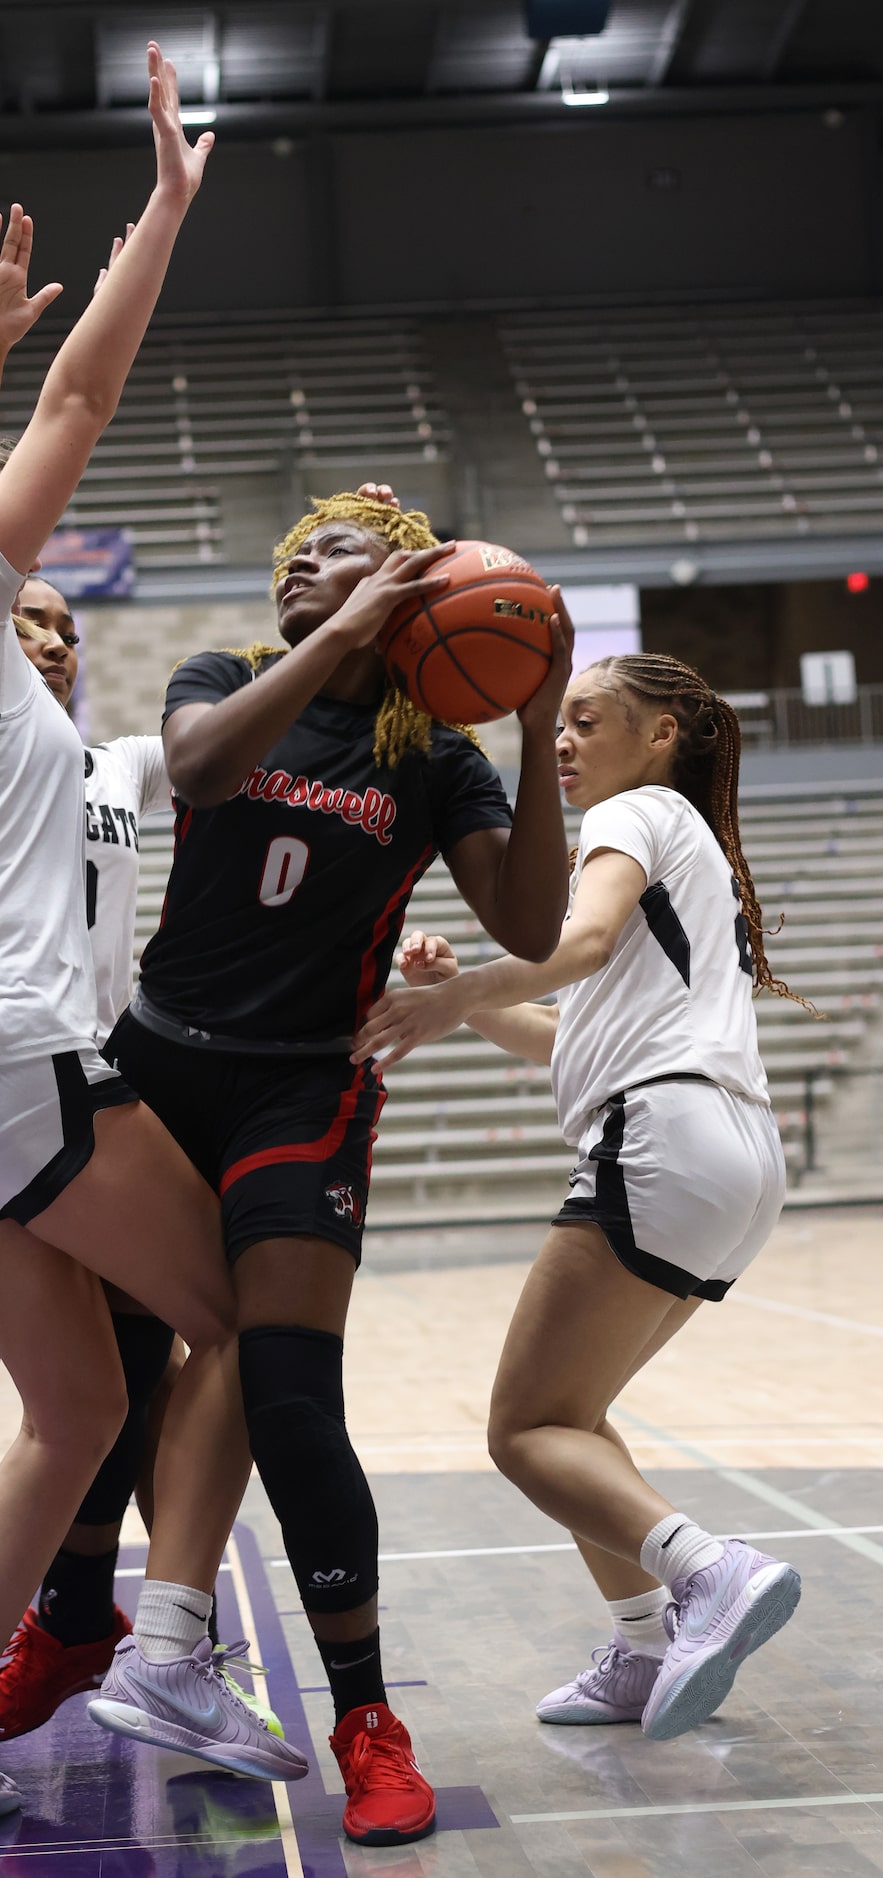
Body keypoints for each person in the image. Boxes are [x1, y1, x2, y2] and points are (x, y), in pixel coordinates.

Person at [0, 47, 307, 1827]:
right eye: (0, 515)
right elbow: (72, 420)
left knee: (74, 1401)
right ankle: (169, 1645)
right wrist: (162, 219)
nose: (41, 548)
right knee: (251, 1303)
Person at [71, 488, 574, 1847]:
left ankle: (363, 1718)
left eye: (338, 549)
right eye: (290, 554)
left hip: (304, 1081)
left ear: (409, 580)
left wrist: (531, 727)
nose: (303, 561)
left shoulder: (433, 752)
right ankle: (74, 1621)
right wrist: (334, 626)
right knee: (109, 1379)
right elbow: (195, 768)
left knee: (290, 1394)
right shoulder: (227, 680)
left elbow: (526, 921)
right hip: (161, 1061)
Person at [354, 652, 804, 1744]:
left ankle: (710, 1572)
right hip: (728, 1155)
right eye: (553, 723)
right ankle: (643, 1648)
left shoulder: (637, 815)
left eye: (585, 719)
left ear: (659, 736)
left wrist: (466, 981)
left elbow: (583, 942)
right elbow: (567, 1035)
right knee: (577, 1419)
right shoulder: (678, 841)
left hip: (660, 1138)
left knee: (520, 1430)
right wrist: (457, 1000)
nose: (560, 740)